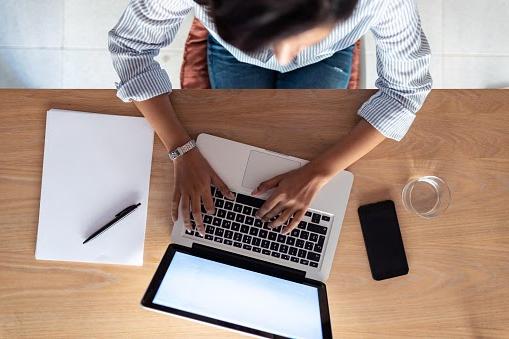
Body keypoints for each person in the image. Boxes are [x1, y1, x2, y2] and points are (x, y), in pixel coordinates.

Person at [109, 0, 432, 237]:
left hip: (328, 55)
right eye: (268, 40)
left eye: (303, 36)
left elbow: (405, 91)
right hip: (232, 49)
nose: (281, 58)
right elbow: (131, 48)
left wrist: (320, 172)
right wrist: (180, 148)